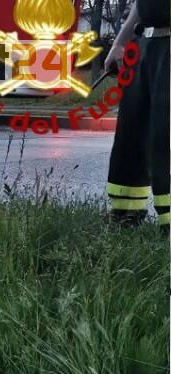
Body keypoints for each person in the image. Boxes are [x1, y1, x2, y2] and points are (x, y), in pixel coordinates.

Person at [104, 0, 169, 227]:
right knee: (131, 133)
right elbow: (140, 5)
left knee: (164, 135)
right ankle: (126, 214)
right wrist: (120, 43)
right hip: (145, 46)